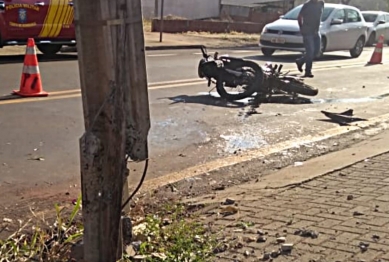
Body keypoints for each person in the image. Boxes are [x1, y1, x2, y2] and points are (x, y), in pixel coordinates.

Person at [295, 0, 325, 78]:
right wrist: (301, 28)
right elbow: (299, 17)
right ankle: (308, 71)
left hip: (316, 31)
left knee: (317, 51)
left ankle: (300, 61)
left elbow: (318, 17)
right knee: (310, 51)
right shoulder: (307, 5)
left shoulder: (321, 3)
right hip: (307, 31)